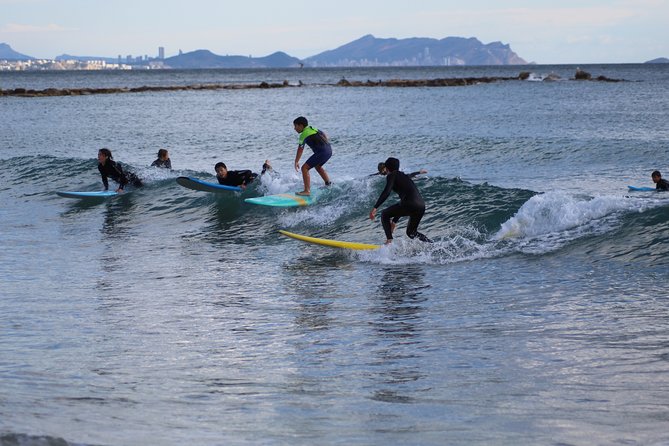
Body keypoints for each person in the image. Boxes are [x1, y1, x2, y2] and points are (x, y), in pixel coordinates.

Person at [369, 157, 431, 245]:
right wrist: (394, 221)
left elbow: (386, 192)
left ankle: (389, 242)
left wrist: (375, 208)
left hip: (410, 204)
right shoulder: (403, 176)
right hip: (421, 206)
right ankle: (432, 245)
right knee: (411, 232)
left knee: (384, 214)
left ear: (387, 168)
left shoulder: (391, 175)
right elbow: (402, 205)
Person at [292, 116, 332, 196]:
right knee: (318, 166)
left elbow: (300, 149)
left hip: (322, 152)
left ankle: (307, 191)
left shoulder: (303, 134)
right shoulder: (313, 128)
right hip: (329, 150)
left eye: (295, 126)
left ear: (301, 126)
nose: (294, 128)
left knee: (304, 168)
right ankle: (328, 183)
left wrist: (296, 161)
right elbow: (324, 134)